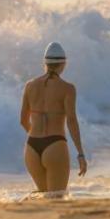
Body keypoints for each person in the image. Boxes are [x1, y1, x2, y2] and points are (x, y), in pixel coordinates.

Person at [19, 42, 88, 194]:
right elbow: (71, 121)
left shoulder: (30, 86)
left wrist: (36, 135)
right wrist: (81, 153)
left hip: (31, 147)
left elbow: (23, 120)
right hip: (55, 145)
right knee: (56, 198)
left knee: (43, 196)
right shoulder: (67, 88)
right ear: (63, 64)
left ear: (45, 63)